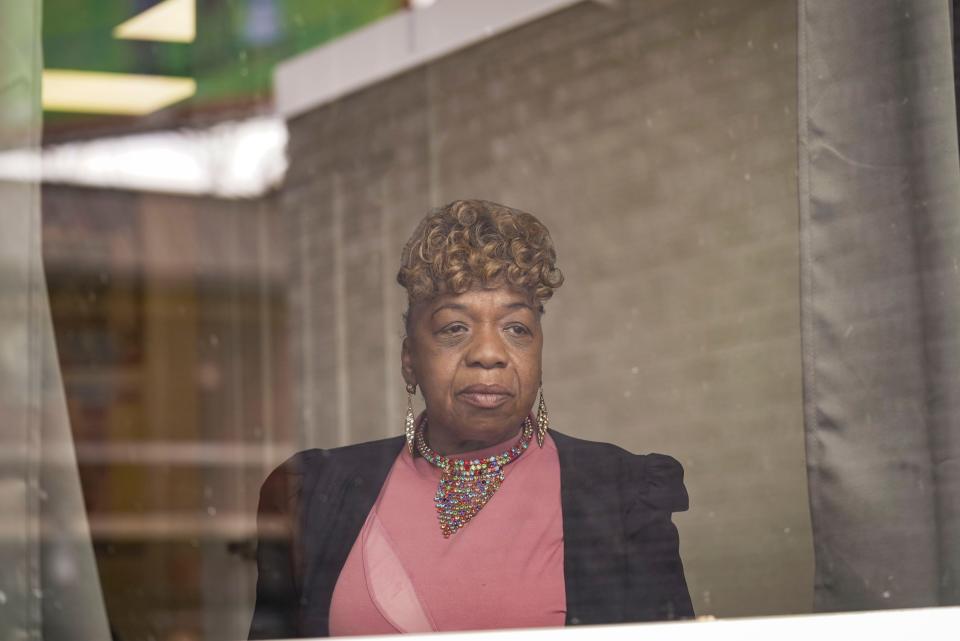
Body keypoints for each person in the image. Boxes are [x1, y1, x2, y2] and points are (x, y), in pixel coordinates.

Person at [248, 199, 693, 638]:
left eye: (516, 328)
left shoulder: (623, 495)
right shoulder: (313, 493)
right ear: (409, 360)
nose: (488, 354)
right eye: (454, 328)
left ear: (539, 352)